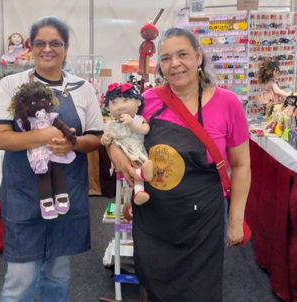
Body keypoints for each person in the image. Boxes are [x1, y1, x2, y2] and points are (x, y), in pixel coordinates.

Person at [107, 27, 251, 301]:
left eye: (182, 54)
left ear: (198, 57)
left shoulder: (227, 103)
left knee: (200, 289)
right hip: (155, 216)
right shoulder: (146, 101)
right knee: (155, 282)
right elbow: (117, 133)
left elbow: (242, 165)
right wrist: (115, 152)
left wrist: (235, 219)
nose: (174, 64)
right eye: (166, 58)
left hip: (204, 218)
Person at [0, 16, 103, 302]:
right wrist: (44, 136)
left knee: (57, 275)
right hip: (24, 193)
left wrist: (71, 143)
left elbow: (95, 138)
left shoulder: (82, 88)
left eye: (55, 43)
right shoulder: (11, 84)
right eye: (40, 43)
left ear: (65, 48)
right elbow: (1, 137)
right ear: (30, 47)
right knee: (21, 279)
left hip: (65, 195)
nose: (47, 49)